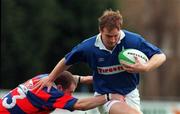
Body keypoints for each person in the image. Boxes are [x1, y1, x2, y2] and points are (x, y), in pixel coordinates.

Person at [33, 9, 166, 114]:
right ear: (100, 30)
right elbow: (67, 61)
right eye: (109, 36)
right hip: (105, 97)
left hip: (131, 93)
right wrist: (51, 78)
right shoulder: (88, 47)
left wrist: (146, 67)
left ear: (120, 29)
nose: (113, 40)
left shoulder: (132, 40)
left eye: (116, 35)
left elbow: (160, 56)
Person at [0, 71, 125, 114]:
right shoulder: (51, 93)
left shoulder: (45, 78)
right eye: (70, 92)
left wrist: (104, 78)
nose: (71, 96)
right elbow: (80, 105)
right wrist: (110, 96)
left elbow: (74, 78)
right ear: (59, 88)